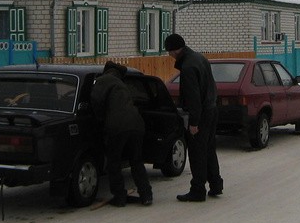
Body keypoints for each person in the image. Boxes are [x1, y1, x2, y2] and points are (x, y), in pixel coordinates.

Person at [164, 33, 222, 202]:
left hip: (201, 113)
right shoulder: (200, 58)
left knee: (197, 152)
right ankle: (216, 184)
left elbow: (193, 97)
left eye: (169, 51)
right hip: (212, 109)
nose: (169, 55)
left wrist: (194, 122)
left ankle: (197, 190)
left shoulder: (188, 66)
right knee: (209, 149)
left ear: (175, 50)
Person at [90, 61, 153, 207]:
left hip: (117, 126)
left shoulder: (103, 80)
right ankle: (146, 195)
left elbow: (96, 100)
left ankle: (119, 197)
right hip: (137, 124)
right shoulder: (122, 84)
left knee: (113, 162)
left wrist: (100, 119)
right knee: (136, 161)